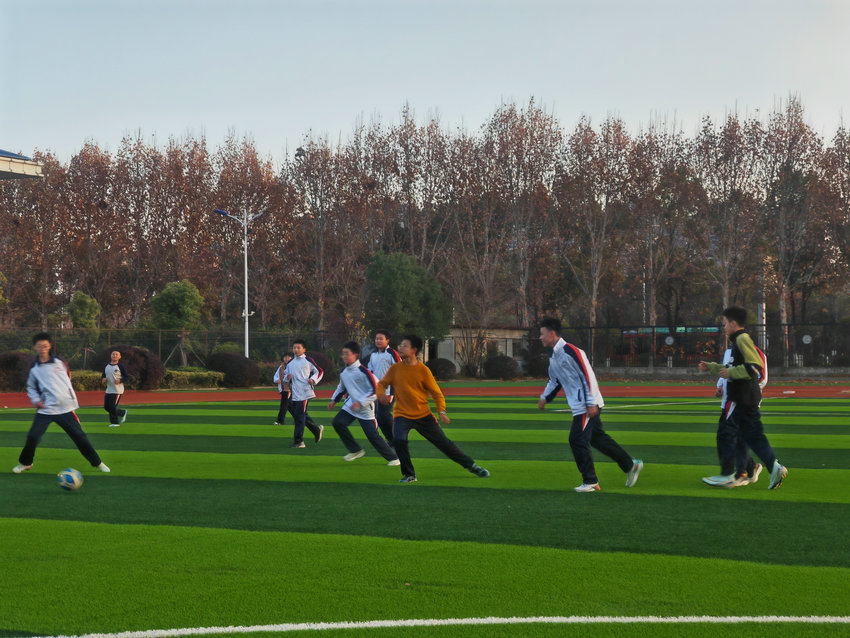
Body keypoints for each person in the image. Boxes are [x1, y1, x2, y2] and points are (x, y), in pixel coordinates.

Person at [537, 318, 643, 492]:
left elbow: (588, 375)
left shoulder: (571, 351)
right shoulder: (553, 356)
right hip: (581, 404)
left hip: (586, 405)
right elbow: (555, 381)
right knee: (597, 438)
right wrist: (545, 398)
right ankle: (630, 465)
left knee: (576, 439)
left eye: (542, 334)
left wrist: (591, 402)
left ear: (552, 333)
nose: (540, 337)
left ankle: (590, 481)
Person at [373, 334, 489, 483]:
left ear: (414, 350)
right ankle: (409, 475)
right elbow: (381, 384)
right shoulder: (395, 369)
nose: (400, 348)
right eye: (400, 345)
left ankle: (472, 466)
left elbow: (437, 393)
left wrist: (441, 411)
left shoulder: (423, 370)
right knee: (399, 440)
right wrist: (381, 394)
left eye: (404, 345)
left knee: (445, 444)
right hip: (402, 415)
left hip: (423, 416)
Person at [699, 305, 787, 489]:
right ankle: (769, 468)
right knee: (749, 436)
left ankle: (731, 474)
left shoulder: (742, 339)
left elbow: (755, 366)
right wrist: (711, 367)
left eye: (725, 323)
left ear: (733, 323)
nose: (723, 327)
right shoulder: (736, 343)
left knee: (727, 434)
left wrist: (731, 373)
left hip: (741, 398)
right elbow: (730, 368)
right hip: (743, 398)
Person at [13, 332, 110, 474]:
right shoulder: (34, 368)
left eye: (45, 345)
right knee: (33, 437)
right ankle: (26, 463)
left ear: (49, 346)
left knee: (79, 437)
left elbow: (67, 377)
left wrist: (66, 396)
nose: (42, 348)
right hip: (45, 409)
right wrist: (36, 400)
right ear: (35, 347)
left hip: (65, 408)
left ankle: (98, 463)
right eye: (40, 346)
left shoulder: (59, 362)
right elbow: (31, 388)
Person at [327, 341, 400, 466]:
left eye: (347, 354)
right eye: (343, 354)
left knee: (372, 436)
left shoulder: (364, 372)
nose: (344, 356)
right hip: (351, 406)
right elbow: (341, 387)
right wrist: (334, 400)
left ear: (355, 355)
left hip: (366, 408)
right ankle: (355, 450)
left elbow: (377, 391)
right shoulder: (344, 372)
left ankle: (394, 458)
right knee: (338, 423)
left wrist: (360, 402)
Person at [709, 343, 768, 487]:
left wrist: (744, 390)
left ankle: (739, 474)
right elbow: (726, 370)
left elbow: (762, 378)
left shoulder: (755, 351)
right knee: (729, 438)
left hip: (744, 402)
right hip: (728, 402)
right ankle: (750, 467)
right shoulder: (729, 351)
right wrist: (720, 386)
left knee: (729, 437)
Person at [283, 339, 324, 448]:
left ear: (304, 349)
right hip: (294, 393)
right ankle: (316, 430)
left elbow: (319, 371)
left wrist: (313, 380)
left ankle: (299, 441)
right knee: (296, 412)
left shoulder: (308, 360)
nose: (296, 350)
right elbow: (285, 376)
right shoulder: (290, 363)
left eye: (298, 348)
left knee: (299, 416)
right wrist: (287, 378)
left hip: (305, 392)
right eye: (294, 348)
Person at [367, 329, 400, 445]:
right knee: (378, 416)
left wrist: (392, 393)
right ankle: (391, 439)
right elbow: (370, 372)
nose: (378, 341)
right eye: (377, 339)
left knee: (383, 415)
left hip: (389, 390)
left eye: (381, 339)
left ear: (387, 340)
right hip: (377, 390)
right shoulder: (373, 354)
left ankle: (396, 438)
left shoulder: (392, 353)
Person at [101, 350, 130, 427]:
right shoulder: (106, 365)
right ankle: (122, 413)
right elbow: (103, 375)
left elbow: (127, 377)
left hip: (117, 390)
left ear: (119, 357)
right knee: (106, 407)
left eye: (116, 354)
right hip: (109, 390)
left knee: (112, 407)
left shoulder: (121, 366)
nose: (114, 356)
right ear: (111, 356)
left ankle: (115, 423)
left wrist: (120, 380)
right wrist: (103, 379)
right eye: (113, 354)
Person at [272, 352, 293, 425]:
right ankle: (300, 419)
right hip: (282, 389)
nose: (286, 359)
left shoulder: (293, 366)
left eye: (288, 357)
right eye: (285, 357)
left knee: (284, 405)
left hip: (288, 389)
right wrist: (277, 380)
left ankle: (280, 421)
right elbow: (275, 376)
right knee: (289, 406)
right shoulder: (281, 367)